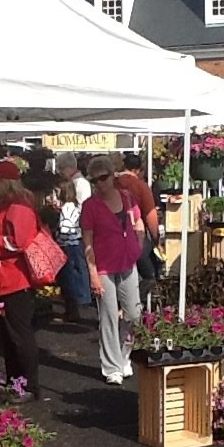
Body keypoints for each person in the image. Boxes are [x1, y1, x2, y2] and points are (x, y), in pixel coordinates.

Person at [80, 155, 144, 385]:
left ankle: (123, 354)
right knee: (108, 316)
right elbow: (87, 241)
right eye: (95, 180)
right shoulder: (90, 206)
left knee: (134, 313)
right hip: (104, 266)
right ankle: (111, 366)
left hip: (127, 262)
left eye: (103, 178)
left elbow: (138, 223)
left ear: (112, 176)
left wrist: (138, 246)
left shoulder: (127, 197)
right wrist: (93, 273)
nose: (100, 183)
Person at [0, 160, 41, 399]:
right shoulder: (9, 205)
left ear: (4, 183)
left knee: (20, 336)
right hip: (5, 279)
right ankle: (15, 382)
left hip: (16, 280)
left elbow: (19, 242)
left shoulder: (19, 207)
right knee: (9, 338)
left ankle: (28, 386)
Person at [114, 153, 160, 303]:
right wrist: (155, 237)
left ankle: (119, 303)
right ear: (138, 170)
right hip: (135, 236)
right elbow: (150, 214)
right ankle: (134, 302)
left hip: (112, 236)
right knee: (149, 274)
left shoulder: (112, 183)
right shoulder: (140, 186)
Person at [54, 180, 91, 322]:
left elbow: (66, 228)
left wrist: (58, 234)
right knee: (78, 272)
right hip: (77, 243)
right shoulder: (76, 206)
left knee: (68, 277)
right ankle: (80, 300)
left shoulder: (66, 208)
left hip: (68, 245)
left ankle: (73, 308)